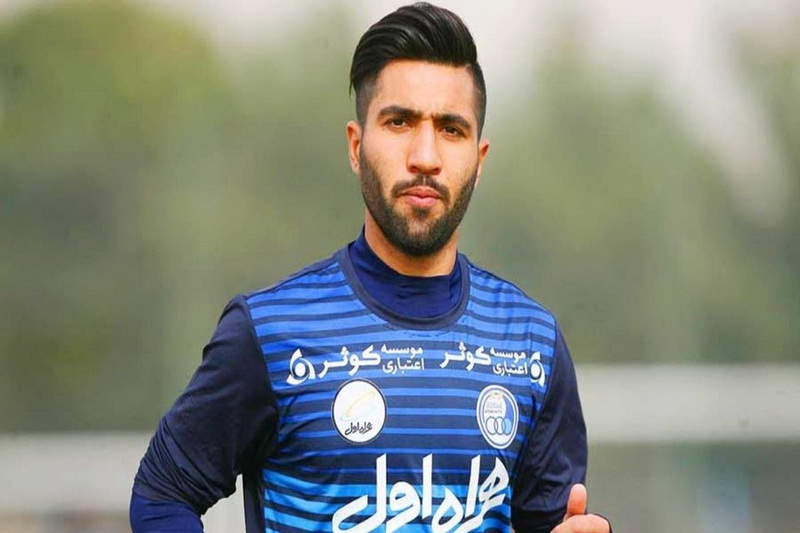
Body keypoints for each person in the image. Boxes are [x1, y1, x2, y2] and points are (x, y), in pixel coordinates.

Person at [130, 3, 611, 532]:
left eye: (451, 129)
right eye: (400, 122)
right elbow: (162, 494)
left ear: (479, 159)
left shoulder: (531, 344)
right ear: (357, 147)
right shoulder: (270, 332)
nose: (425, 155)